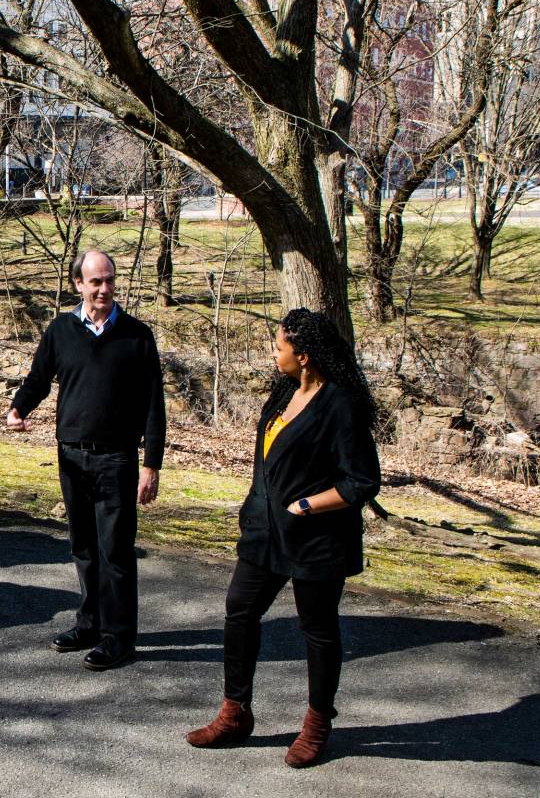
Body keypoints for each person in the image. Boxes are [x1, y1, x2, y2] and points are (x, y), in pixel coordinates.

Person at [185, 308, 381, 769]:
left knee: (317, 629)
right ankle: (234, 712)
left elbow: (362, 481)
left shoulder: (339, 406)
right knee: (240, 611)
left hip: (317, 540)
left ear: (305, 356)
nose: (274, 354)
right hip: (263, 535)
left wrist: (309, 505)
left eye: (279, 347)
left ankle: (316, 724)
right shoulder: (283, 395)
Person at [7, 249, 164, 671]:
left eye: (110, 280)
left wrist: (152, 464)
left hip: (117, 459)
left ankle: (119, 637)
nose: (104, 289)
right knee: (83, 546)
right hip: (71, 456)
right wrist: (19, 408)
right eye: (96, 282)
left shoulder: (136, 335)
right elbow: (39, 378)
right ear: (78, 284)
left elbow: (154, 405)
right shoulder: (61, 330)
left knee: (115, 550)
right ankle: (90, 623)